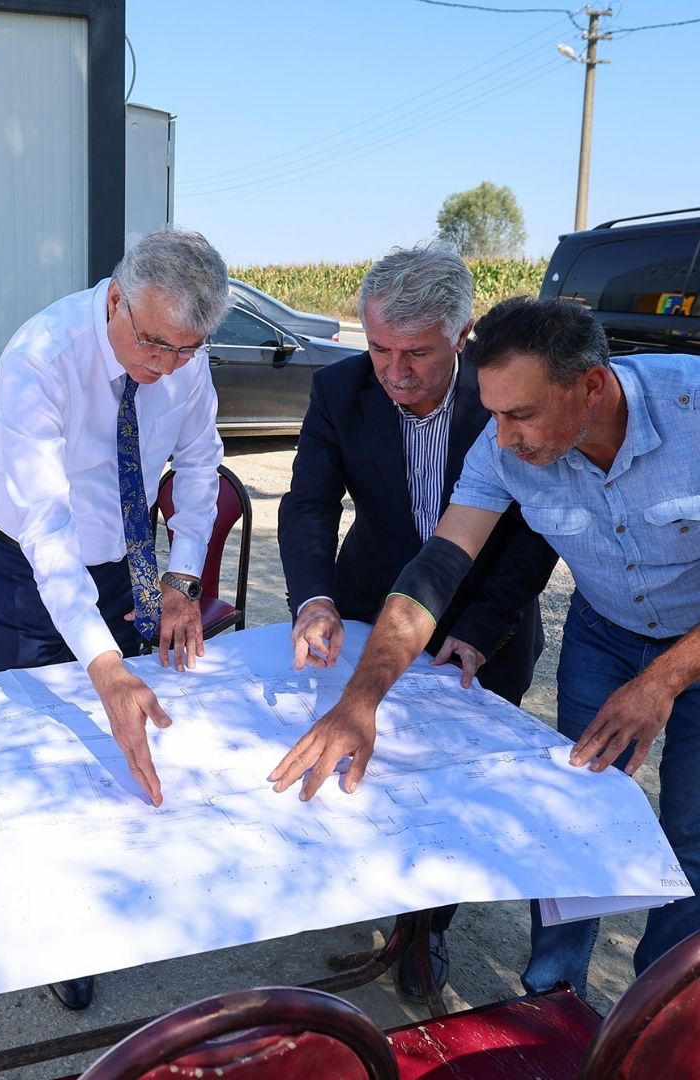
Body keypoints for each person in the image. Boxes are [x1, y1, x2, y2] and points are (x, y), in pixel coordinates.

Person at [270, 294, 700, 1001]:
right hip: (605, 630)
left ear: (591, 386)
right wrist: (360, 700)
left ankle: (659, 1015)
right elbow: (437, 569)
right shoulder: (501, 444)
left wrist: (660, 683)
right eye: (494, 412)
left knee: (691, 836)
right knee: (575, 813)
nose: (501, 438)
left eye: (521, 415)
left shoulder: (693, 409)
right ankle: (551, 997)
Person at [277, 245, 557, 999]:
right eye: (379, 349)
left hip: (484, 618)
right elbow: (308, 503)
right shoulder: (339, 390)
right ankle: (369, 898)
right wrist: (315, 598)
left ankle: (428, 928)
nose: (396, 372)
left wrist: (488, 626)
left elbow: (536, 526)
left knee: (456, 790)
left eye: (417, 353)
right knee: (367, 762)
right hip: (372, 606)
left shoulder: (505, 394)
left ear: (462, 334)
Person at [0, 229, 229, 1010]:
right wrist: (103, 663)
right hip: (21, 556)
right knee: (52, 732)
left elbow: (203, 461)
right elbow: (47, 528)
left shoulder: (183, 349)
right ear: (115, 299)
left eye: (188, 351)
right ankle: (59, 928)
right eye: (155, 347)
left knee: (128, 723)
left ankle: (126, 885)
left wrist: (180, 578)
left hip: (122, 550)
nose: (169, 366)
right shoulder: (40, 355)